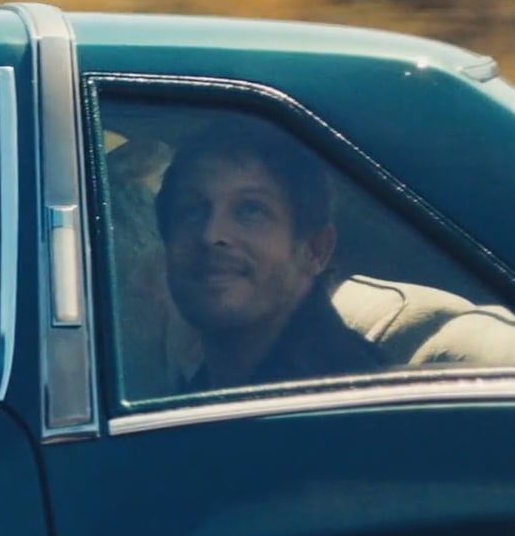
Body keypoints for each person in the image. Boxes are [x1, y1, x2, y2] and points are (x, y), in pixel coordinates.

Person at [153, 118, 386, 392]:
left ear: (315, 249)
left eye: (251, 210)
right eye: (191, 210)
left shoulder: (351, 399)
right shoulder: (192, 393)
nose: (211, 234)